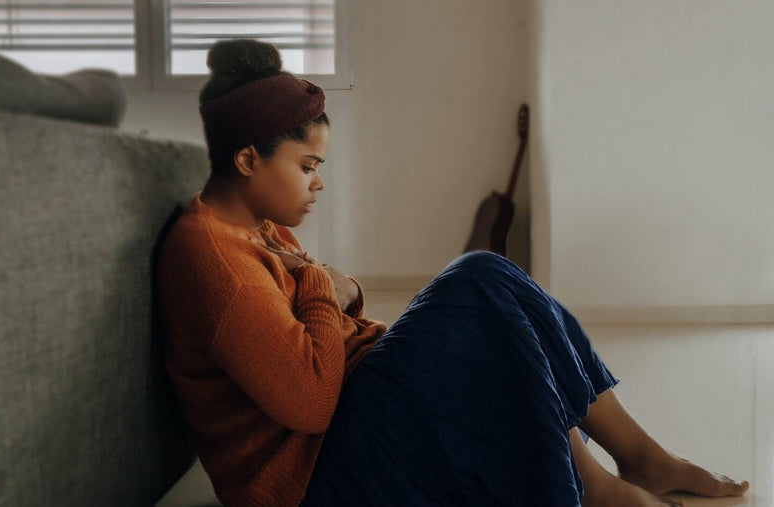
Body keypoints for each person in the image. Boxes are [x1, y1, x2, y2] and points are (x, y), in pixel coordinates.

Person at [155, 39, 750, 507]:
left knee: (485, 280)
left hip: (342, 423)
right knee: (477, 283)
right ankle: (596, 486)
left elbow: (329, 317)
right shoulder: (214, 261)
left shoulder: (257, 225)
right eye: (308, 165)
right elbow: (309, 402)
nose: (319, 183)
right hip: (314, 476)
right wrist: (319, 283)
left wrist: (350, 291)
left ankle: (637, 456)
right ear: (246, 159)